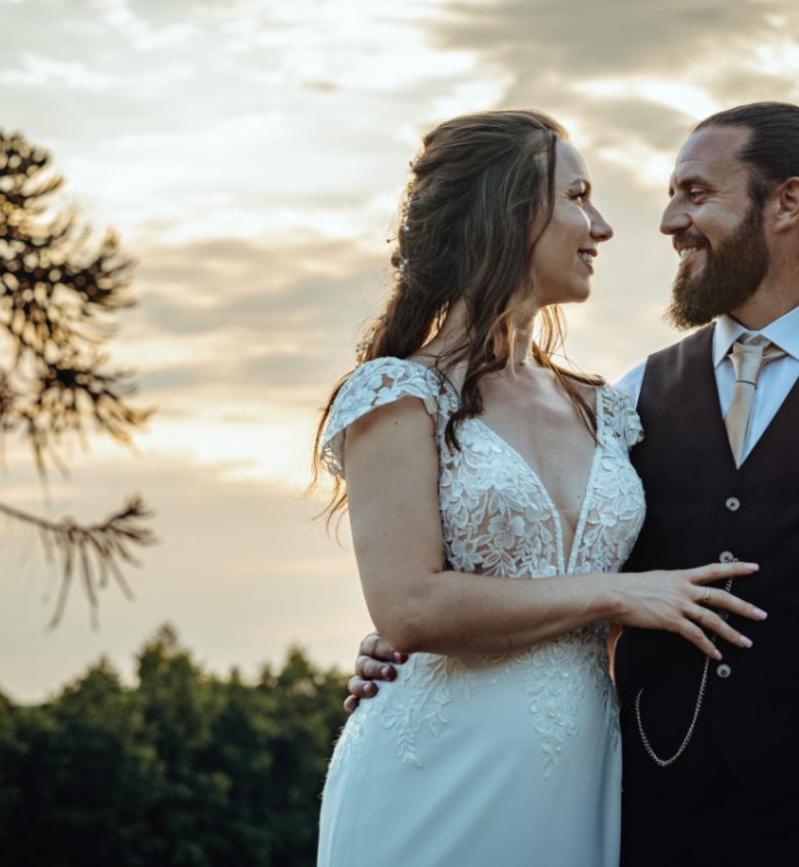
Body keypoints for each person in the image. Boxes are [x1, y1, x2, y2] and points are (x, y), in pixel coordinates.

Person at [349, 102, 799, 867]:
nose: (667, 221)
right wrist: (407, 639)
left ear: (785, 204)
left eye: (695, 193)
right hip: (656, 822)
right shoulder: (629, 400)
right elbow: (550, 566)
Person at [313, 109, 767, 867]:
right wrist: (611, 595)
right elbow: (409, 606)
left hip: (576, 779)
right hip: (433, 774)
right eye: (579, 197)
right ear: (509, 212)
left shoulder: (609, 410)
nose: (603, 226)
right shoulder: (397, 393)